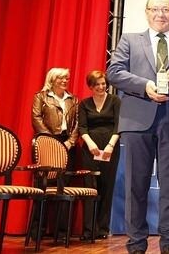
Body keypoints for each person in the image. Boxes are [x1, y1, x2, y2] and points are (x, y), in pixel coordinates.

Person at [107, 0, 169, 254]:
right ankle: (136, 244)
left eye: (166, 9)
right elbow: (114, 72)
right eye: (155, 9)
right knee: (135, 185)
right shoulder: (129, 40)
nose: (161, 14)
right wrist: (145, 86)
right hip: (137, 119)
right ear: (147, 13)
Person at [31, 67, 79, 238]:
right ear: (52, 79)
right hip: (46, 144)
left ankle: (61, 231)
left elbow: (77, 124)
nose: (65, 81)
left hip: (67, 145)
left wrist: (70, 142)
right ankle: (38, 231)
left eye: (66, 78)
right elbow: (36, 119)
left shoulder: (73, 99)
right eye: (61, 78)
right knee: (42, 188)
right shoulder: (41, 97)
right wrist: (50, 142)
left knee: (63, 188)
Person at [78, 70, 121, 241]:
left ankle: (102, 228)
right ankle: (89, 230)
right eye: (97, 85)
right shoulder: (84, 104)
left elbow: (119, 125)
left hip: (110, 148)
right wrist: (90, 144)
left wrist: (110, 145)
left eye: (104, 84)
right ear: (90, 86)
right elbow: (82, 127)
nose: (102, 87)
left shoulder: (115, 101)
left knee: (106, 186)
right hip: (91, 149)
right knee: (90, 189)